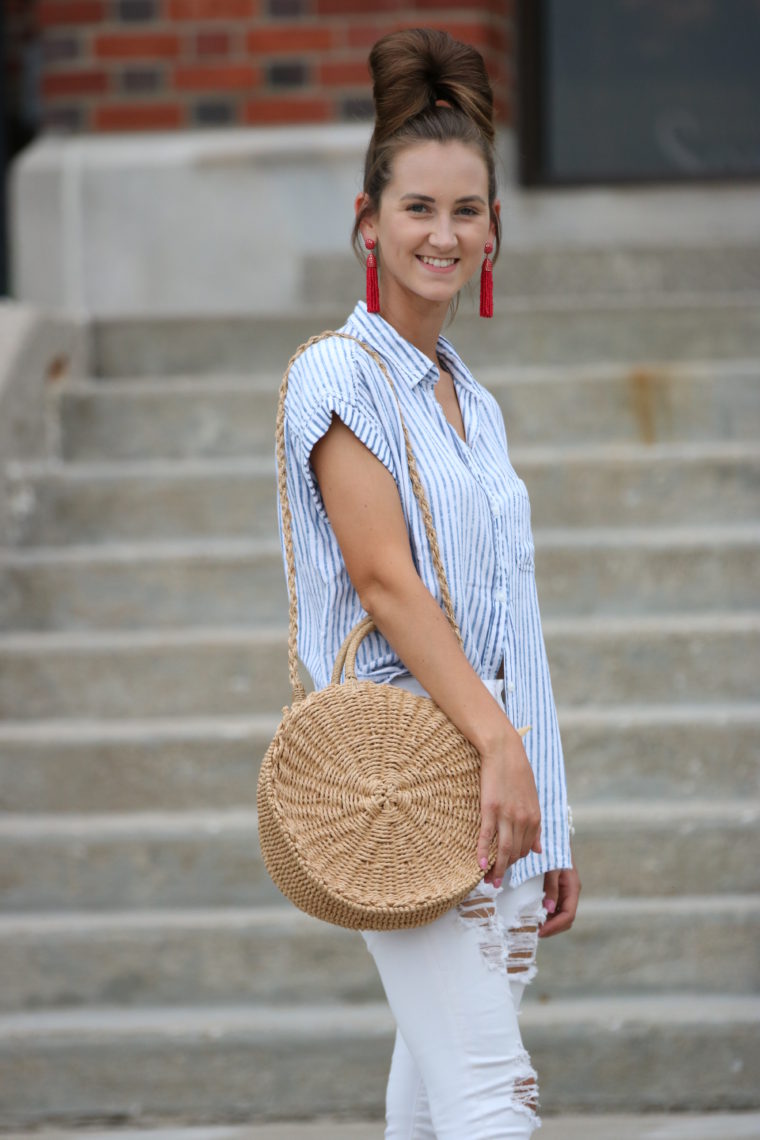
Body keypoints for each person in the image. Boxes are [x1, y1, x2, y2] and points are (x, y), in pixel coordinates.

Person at [278, 27, 581, 1140]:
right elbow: (384, 583)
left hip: (498, 807)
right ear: (367, 223)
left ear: (494, 231)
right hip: (399, 787)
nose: (442, 234)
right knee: (493, 1097)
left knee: (433, 1096)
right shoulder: (337, 375)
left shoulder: (477, 404)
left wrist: (543, 803)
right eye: (417, 208)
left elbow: (516, 620)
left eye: (466, 211)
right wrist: (500, 747)